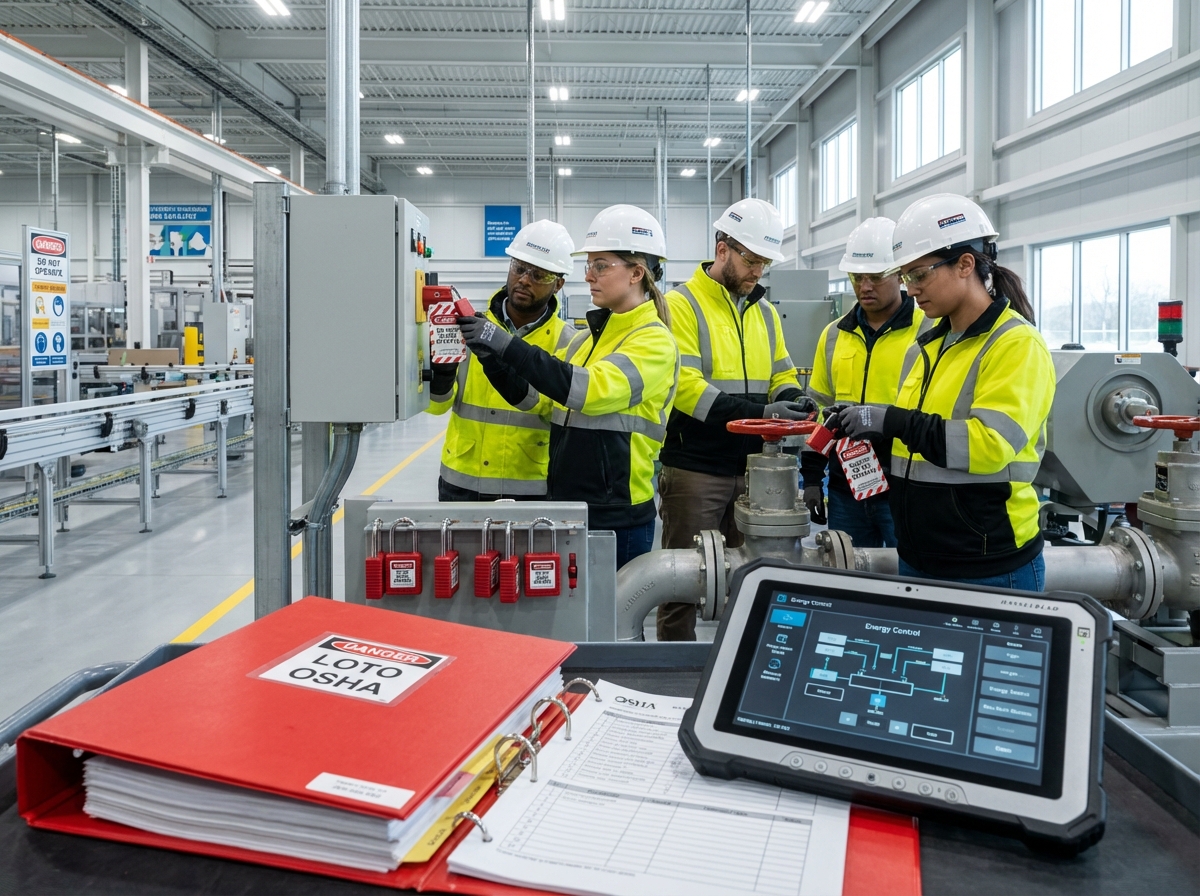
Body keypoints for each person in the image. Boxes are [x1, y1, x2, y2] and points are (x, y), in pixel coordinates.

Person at [829, 194, 1054, 590]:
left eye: (919, 274)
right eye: (905, 277)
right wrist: (868, 428)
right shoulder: (929, 345)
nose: (911, 289)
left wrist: (890, 419)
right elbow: (916, 445)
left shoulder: (1014, 344)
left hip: (987, 561)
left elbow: (987, 445)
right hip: (920, 556)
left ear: (965, 264)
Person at [458, 205, 679, 569]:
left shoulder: (652, 341)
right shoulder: (588, 340)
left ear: (636, 273)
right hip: (569, 506)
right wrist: (490, 355)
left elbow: (588, 392)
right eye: (588, 265)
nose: (589, 275)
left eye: (601, 265)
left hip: (616, 515)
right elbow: (536, 401)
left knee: (614, 625)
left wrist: (504, 343)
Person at [656, 198, 814, 641]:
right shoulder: (680, 305)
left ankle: (737, 668)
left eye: (764, 262)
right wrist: (763, 413)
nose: (758, 271)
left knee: (750, 580)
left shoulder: (764, 311)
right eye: (752, 260)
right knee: (682, 582)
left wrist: (792, 398)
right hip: (696, 469)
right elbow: (686, 387)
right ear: (722, 248)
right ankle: (671, 675)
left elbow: (781, 370)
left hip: (753, 470)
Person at [427, 220, 576, 501]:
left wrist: (501, 360)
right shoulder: (470, 328)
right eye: (519, 268)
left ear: (558, 284)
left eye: (540, 275)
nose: (524, 279)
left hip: (529, 486)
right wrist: (442, 375)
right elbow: (437, 408)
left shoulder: (568, 342)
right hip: (462, 480)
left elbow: (553, 412)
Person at [802, 217, 928, 548]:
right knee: (849, 577)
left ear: (899, 276)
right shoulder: (833, 336)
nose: (865, 286)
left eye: (875, 277)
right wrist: (813, 478)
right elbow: (819, 413)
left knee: (905, 579)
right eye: (857, 277)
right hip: (846, 489)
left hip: (905, 487)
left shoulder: (927, 331)